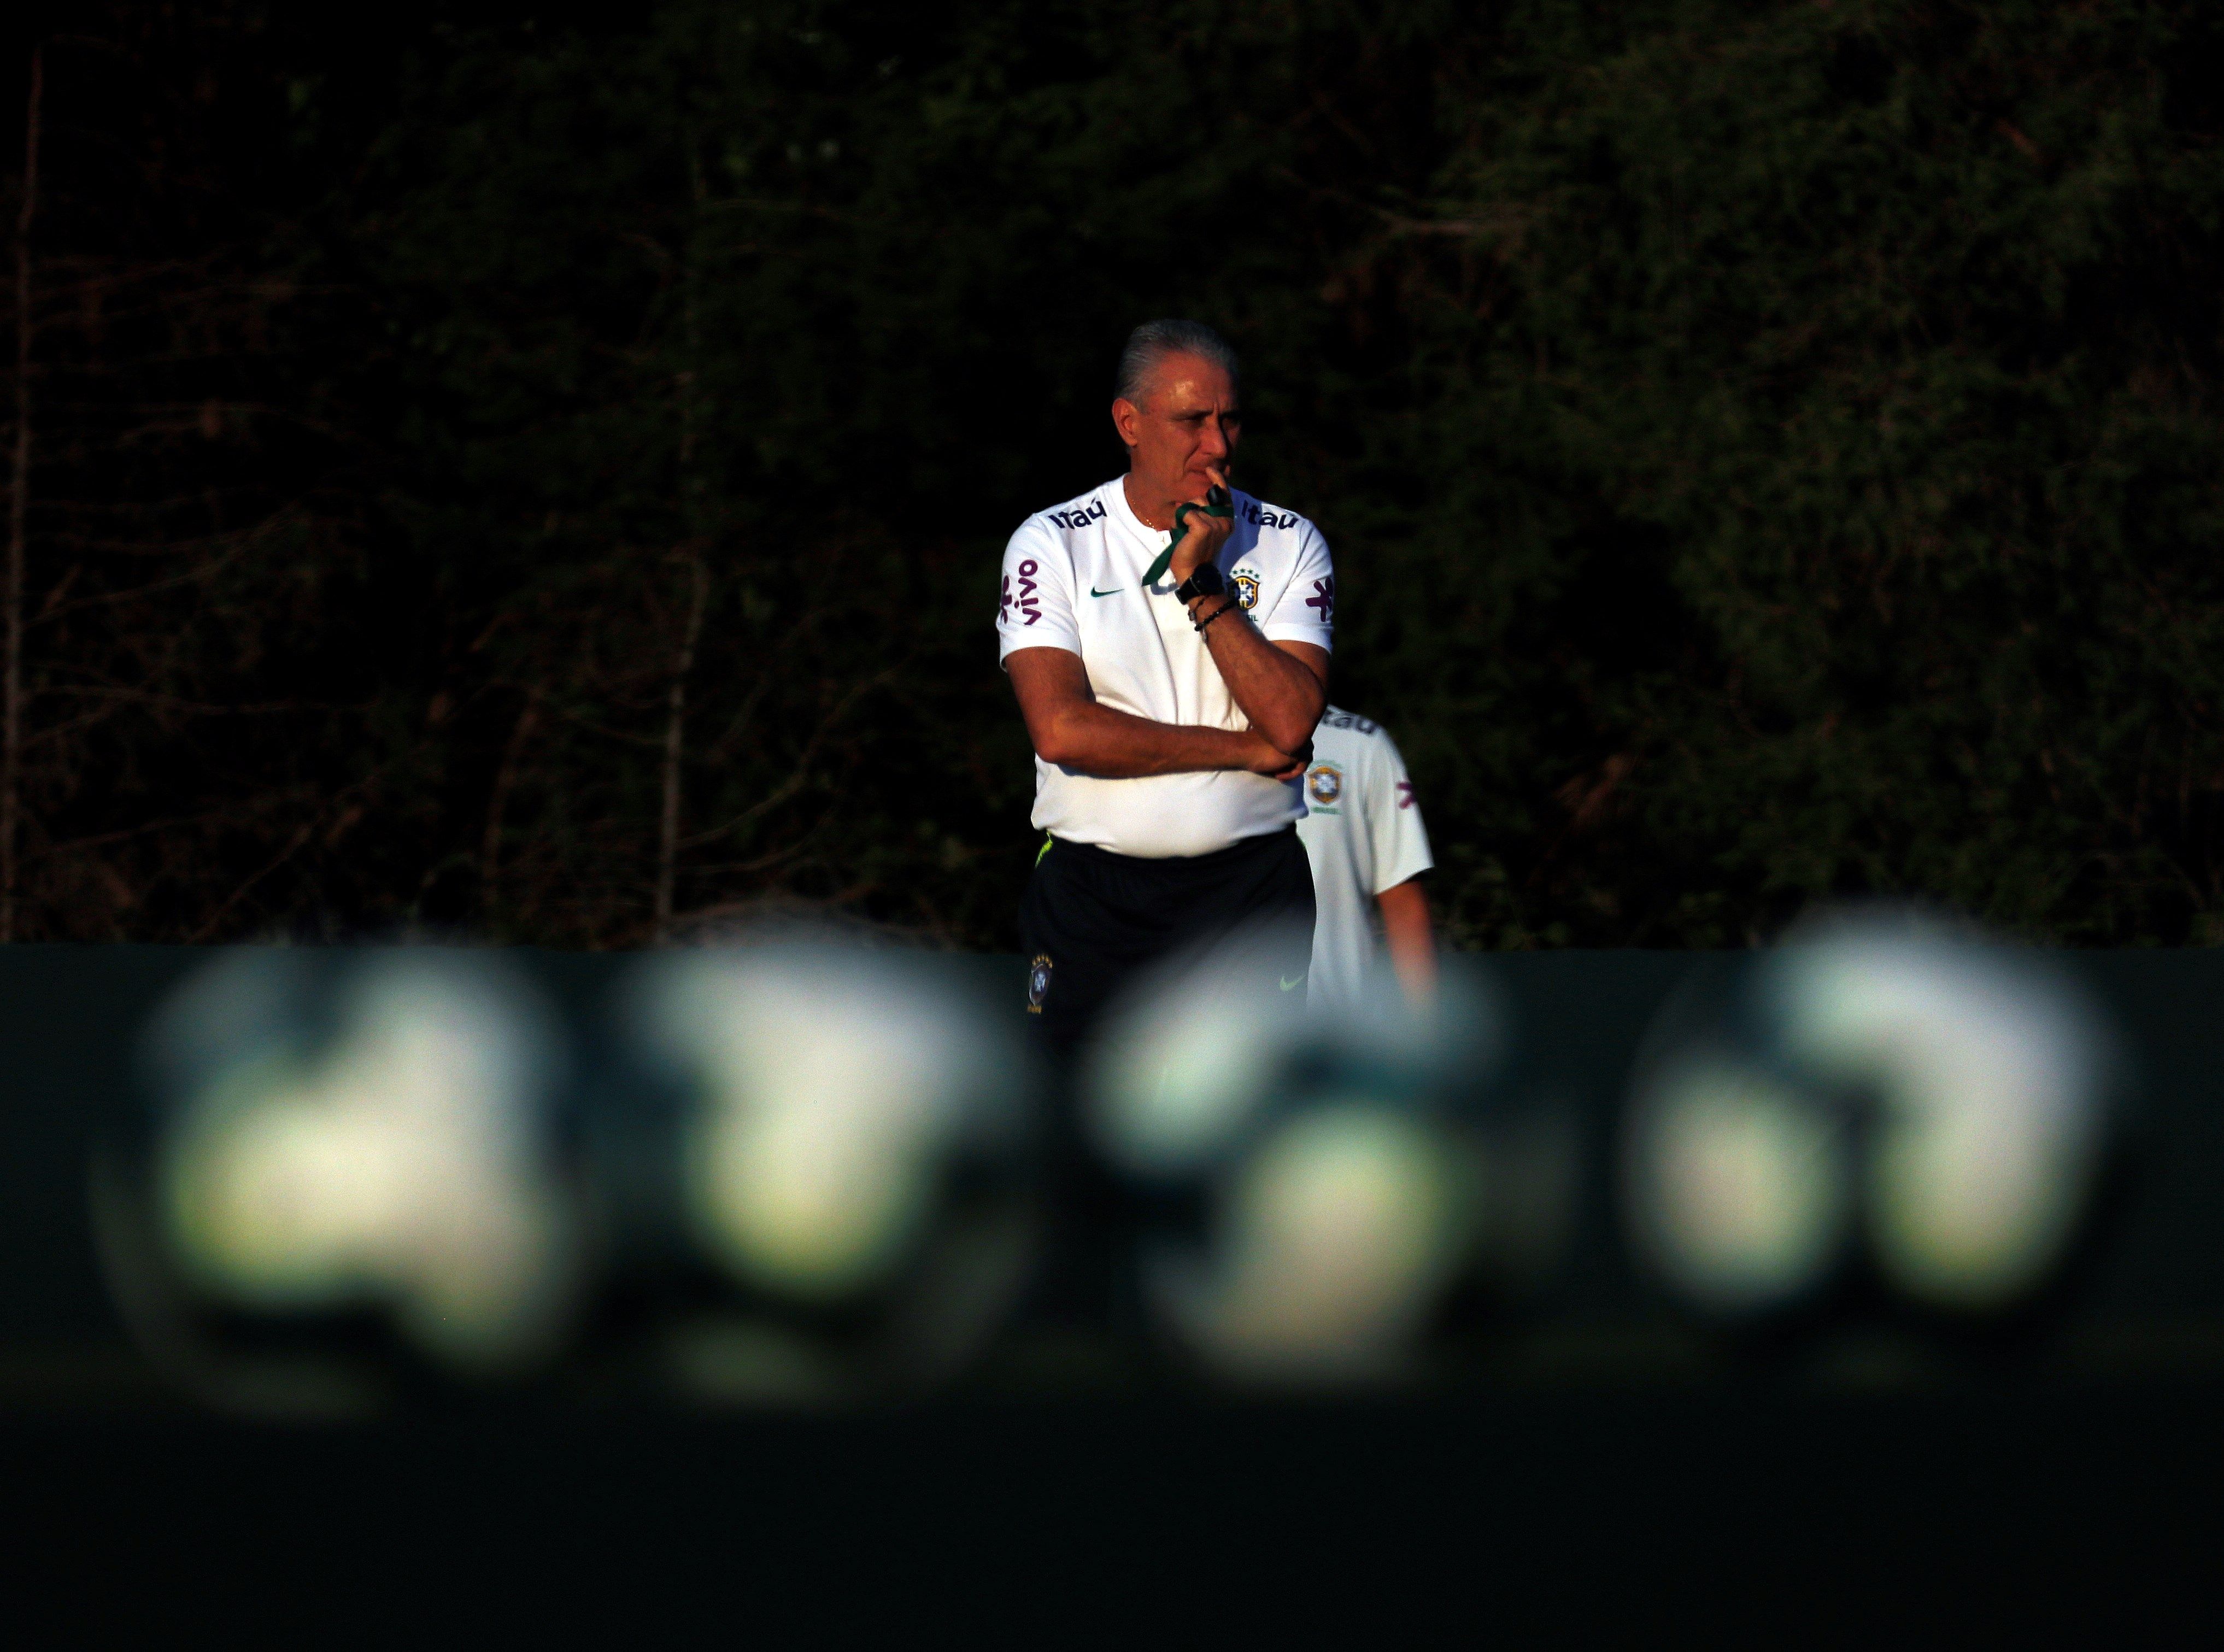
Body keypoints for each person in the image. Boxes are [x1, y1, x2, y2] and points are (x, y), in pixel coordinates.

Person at [996, 319, 1334, 1062]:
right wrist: (1242, 751)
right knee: (1077, 1138)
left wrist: (1200, 580)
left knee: (1245, 1147)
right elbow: (1061, 730)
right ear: (1130, 422)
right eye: (1192, 421)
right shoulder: (1052, 540)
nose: (1217, 445)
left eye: (1229, 419)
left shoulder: (1288, 539)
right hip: (1094, 900)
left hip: (1249, 895)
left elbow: (1290, 718)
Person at [1293, 707, 1436, 1010]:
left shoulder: (1360, 742)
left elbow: (1402, 903)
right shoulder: (1184, 741)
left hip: (1338, 1026)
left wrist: (1425, 1033)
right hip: (1213, 1030)